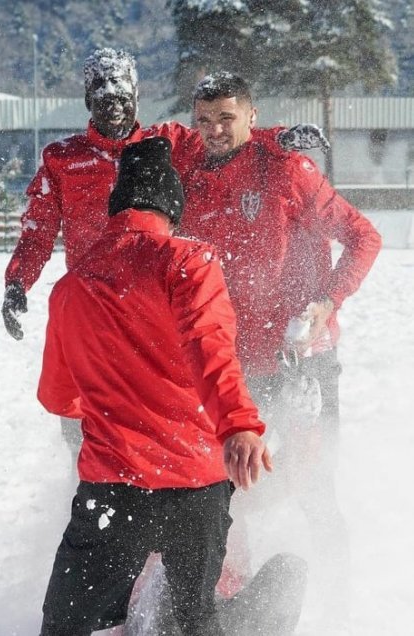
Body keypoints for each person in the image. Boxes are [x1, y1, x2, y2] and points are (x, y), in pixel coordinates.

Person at [1, 47, 327, 466]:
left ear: (137, 97)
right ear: (87, 99)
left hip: (155, 305)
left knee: (165, 412)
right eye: (102, 93)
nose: (113, 103)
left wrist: (276, 138)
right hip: (93, 307)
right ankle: (93, 491)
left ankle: (179, 488)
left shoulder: (166, 143)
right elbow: (38, 228)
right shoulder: (62, 159)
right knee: (90, 423)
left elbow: (225, 138)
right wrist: (17, 281)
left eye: (122, 94)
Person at [37, 136, 272, 636]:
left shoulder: (70, 287)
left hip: (114, 487)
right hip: (197, 484)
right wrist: (238, 424)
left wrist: (109, 392)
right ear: (171, 206)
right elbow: (213, 350)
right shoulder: (190, 262)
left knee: (66, 623)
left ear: (116, 205)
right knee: (197, 618)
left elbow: (58, 397)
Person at [180, 71, 382, 629]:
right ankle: (231, 603)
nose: (215, 130)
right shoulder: (190, 175)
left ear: (251, 114)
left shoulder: (288, 169)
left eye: (227, 117)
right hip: (229, 364)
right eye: (204, 120)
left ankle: (342, 609)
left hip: (302, 361)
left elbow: (365, 236)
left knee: (314, 489)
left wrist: (326, 301)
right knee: (221, 488)